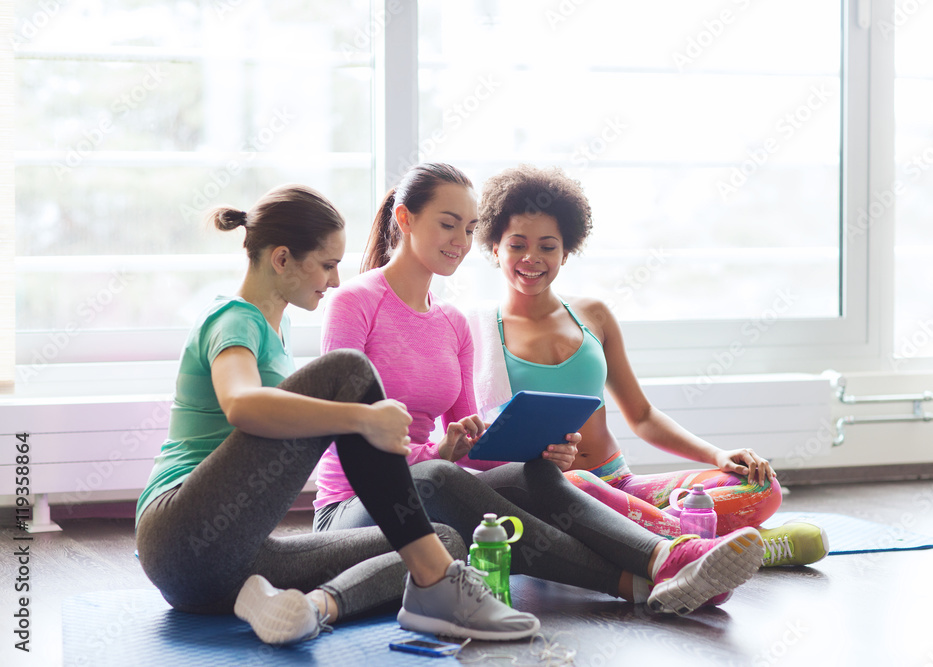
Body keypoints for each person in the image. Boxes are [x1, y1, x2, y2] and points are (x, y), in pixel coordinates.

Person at [313, 162, 766, 614]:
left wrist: (538, 447)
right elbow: (345, 433)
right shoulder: (353, 303)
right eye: (448, 225)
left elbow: (475, 447)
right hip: (354, 505)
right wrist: (436, 455)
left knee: (535, 476)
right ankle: (665, 559)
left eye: (469, 228)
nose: (460, 242)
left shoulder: (452, 324)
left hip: (424, 497)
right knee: (438, 476)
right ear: (405, 219)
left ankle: (652, 575)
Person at [135, 184, 540, 648]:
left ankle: (307, 611)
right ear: (282, 259)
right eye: (327, 265)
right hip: (179, 535)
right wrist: (360, 418)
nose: (334, 281)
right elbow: (241, 404)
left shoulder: (275, 326)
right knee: (348, 372)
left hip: (224, 569)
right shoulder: (233, 319)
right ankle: (437, 585)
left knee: (441, 544)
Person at [466, 164, 828, 568]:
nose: (531, 258)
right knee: (579, 485)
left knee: (761, 487)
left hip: (620, 485)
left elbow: (641, 415)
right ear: (494, 248)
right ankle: (736, 546)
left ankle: (673, 542)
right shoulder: (475, 331)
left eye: (547, 247)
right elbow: (479, 443)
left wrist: (718, 455)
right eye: (517, 245)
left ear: (566, 252)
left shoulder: (594, 315)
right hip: (554, 494)